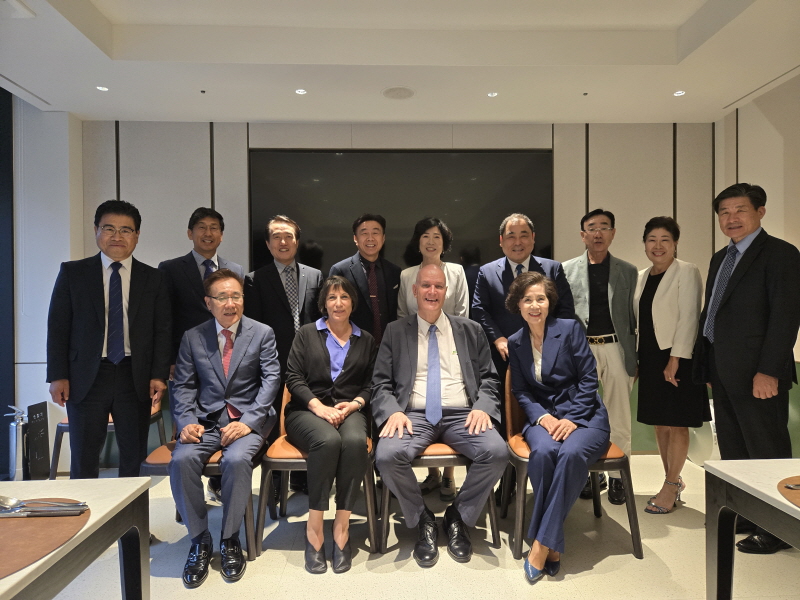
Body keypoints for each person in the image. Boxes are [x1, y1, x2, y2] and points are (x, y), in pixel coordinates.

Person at [373, 264, 508, 567]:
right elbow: (380, 382)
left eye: (438, 286)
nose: (432, 292)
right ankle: (422, 518)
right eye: (426, 286)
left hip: (463, 413)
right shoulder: (396, 331)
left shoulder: (470, 330)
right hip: (413, 414)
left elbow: (489, 378)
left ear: (446, 291)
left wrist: (483, 407)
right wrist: (392, 411)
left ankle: (458, 516)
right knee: (387, 456)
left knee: (497, 452)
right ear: (414, 290)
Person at [694, 183, 800, 554]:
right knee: (735, 449)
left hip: (759, 374)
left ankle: (778, 528)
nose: (731, 218)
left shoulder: (781, 254)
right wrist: (708, 367)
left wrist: (769, 371)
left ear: (760, 212)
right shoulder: (720, 258)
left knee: (766, 449)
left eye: (740, 210)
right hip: (723, 371)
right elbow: (713, 314)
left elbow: (785, 318)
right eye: (724, 212)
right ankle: (750, 514)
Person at [169, 269, 281, 587]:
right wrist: (186, 421)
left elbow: (271, 381)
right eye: (222, 297)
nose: (230, 303)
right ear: (209, 302)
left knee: (236, 460)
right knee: (181, 460)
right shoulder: (193, 337)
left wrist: (248, 423)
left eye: (236, 296)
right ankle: (199, 540)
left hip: (248, 420)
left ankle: (230, 538)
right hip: (205, 422)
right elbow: (183, 386)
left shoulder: (262, 333)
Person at [47, 200, 171, 479]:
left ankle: (131, 509)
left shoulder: (154, 278)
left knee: (134, 455)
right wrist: (58, 375)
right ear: (96, 230)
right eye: (109, 228)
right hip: (85, 376)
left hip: (134, 375)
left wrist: (158, 374)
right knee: (84, 455)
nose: (117, 236)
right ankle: (86, 508)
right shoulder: (73, 273)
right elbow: (57, 327)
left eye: (126, 230)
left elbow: (162, 330)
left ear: (137, 236)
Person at [506, 272, 609, 584]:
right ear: (518, 305)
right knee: (543, 452)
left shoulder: (569, 329)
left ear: (549, 302)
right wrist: (541, 417)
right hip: (543, 418)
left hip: (584, 415)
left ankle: (541, 544)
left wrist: (572, 418)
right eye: (528, 300)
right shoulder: (516, 342)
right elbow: (521, 390)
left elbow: (589, 378)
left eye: (540, 298)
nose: (534, 305)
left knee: (571, 454)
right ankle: (552, 541)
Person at [284, 275, 376, 574]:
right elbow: (293, 377)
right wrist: (318, 407)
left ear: (353, 303)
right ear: (324, 303)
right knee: (328, 441)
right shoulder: (307, 334)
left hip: (350, 410)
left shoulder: (366, 339)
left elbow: (372, 384)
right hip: (306, 410)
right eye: (332, 297)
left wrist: (355, 404)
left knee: (354, 442)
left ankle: (341, 526)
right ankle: (314, 528)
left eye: (344, 297)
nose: (338, 303)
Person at [159, 207, 244, 501]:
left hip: (226, 357)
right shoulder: (170, 269)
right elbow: (164, 318)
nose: (208, 233)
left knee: (225, 420)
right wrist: (169, 359)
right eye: (202, 227)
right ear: (190, 233)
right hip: (186, 361)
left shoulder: (235, 270)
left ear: (221, 235)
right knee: (189, 427)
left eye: (214, 228)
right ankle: (186, 495)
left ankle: (218, 484)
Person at [633, 217, 709, 514]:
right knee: (660, 422)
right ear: (645, 244)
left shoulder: (686, 271)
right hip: (650, 357)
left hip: (678, 356)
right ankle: (672, 480)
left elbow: (690, 317)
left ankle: (670, 484)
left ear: (675, 243)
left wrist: (675, 359)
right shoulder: (641, 276)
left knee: (677, 422)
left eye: (665, 239)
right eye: (652, 239)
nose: (658, 245)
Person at [563, 208, 637, 505]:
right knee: (581, 414)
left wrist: (636, 357)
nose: (598, 233)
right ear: (583, 235)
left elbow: (633, 317)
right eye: (592, 228)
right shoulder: (566, 270)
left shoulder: (628, 271)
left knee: (619, 416)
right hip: (581, 350)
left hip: (616, 348)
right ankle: (587, 474)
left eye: (604, 227)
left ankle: (619, 477)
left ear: (613, 233)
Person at [244, 215, 323, 493]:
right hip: (273, 361)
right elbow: (253, 326)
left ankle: (304, 476)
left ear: (297, 242)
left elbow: (320, 319)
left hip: (309, 361)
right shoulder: (254, 280)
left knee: (308, 417)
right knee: (274, 419)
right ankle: (277, 480)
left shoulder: (315, 276)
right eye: (276, 236)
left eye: (288, 236)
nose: (283, 241)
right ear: (268, 244)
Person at [398, 217, 470, 501]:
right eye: (425, 236)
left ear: (445, 243)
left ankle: (449, 475)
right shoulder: (407, 275)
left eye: (437, 237)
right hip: (418, 347)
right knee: (425, 402)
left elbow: (463, 311)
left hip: (450, 347)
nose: (431, 241)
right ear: (418, 242)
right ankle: (433, 474)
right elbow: (402, 313)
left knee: (449, 402)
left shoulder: (456, 271)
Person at [472, 212, 575, 386]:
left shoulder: (553, 268)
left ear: (533, 238)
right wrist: (498, 339)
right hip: (504, 355)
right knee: (508, 401)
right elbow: (479, 310)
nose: (518, 242)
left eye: (524, 235)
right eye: (511, 236)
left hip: (548, 353)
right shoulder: (487, 272)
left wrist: (551, 340)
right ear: (501, 240)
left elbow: (565, 309)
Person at [329, 214, 401, 345]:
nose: (370, 238)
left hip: (388, 345)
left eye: (375, 233)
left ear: (383, 238)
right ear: (355, 238)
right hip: (352, 345)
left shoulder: (394, 271)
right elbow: (331, 311)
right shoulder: (341, 270)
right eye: (364, 233)